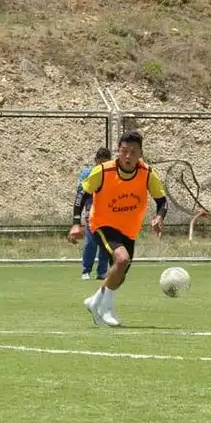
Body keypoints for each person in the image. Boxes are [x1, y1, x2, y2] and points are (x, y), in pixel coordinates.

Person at [67, 131, 168, 327]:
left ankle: (94, 301)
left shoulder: (147, 173)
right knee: (121, 259)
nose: (128, 156)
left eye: (133, 151)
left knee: (118, 275)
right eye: (124, 151)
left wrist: (159, 217)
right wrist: (75, 223)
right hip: (102, 224)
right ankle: (107, 310)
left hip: (129, 230)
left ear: (140, 153)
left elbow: (162, 200)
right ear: (118, 152)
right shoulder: (104, 171)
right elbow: (82, 192)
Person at [78, 147, 112, 280]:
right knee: (91, 242)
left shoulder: (113, 174)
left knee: (105, 244)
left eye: (105, 163)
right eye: (100, 162)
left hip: (108, 213)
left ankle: (102, 271)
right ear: (96, 161)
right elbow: (81, 193)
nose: (102, 166)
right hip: (91, 213)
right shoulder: (87, 174)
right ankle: (86, 270)